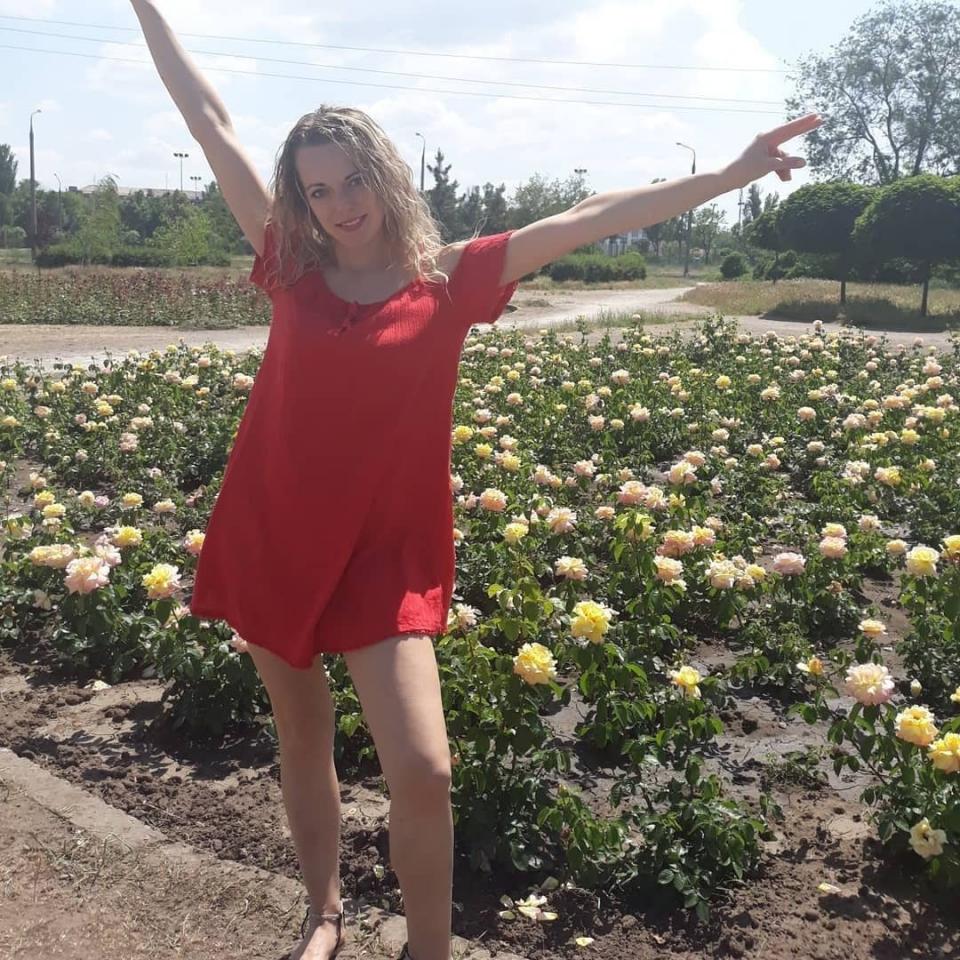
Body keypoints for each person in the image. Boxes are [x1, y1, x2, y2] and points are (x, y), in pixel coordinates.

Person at [130, 3, 822, 958]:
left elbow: (588, 217)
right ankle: (324, 914)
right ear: (301, 200)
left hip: (384, 556)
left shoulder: (449, 280)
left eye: (354, 178)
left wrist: (730, 174)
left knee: (425, 769)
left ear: (385, 173)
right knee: (302, 734)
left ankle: (429, 952)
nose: (341, 203)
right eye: (319, 188)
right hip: (276, 531)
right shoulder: (290, 266)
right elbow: (210, 122)